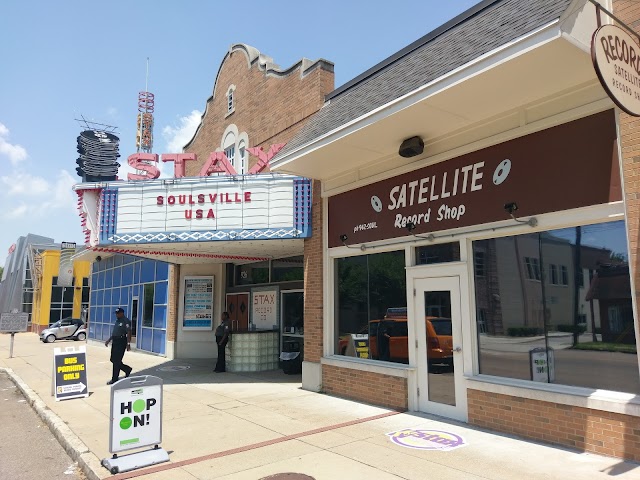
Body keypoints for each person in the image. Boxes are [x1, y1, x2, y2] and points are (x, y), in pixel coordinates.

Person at [105, 308, 132, 385]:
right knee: (113, 359)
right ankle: (127, 369)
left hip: (121, 342)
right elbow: (115, 332)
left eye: (118, 313)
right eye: (116, 313)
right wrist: (109, 340)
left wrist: (128, 343)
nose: (117, 315)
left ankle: (114, 379)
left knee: (116, 361)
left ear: (122, 313)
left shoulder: (126, 321)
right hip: (115, 341)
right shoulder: (117, 321)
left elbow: (129, 332)